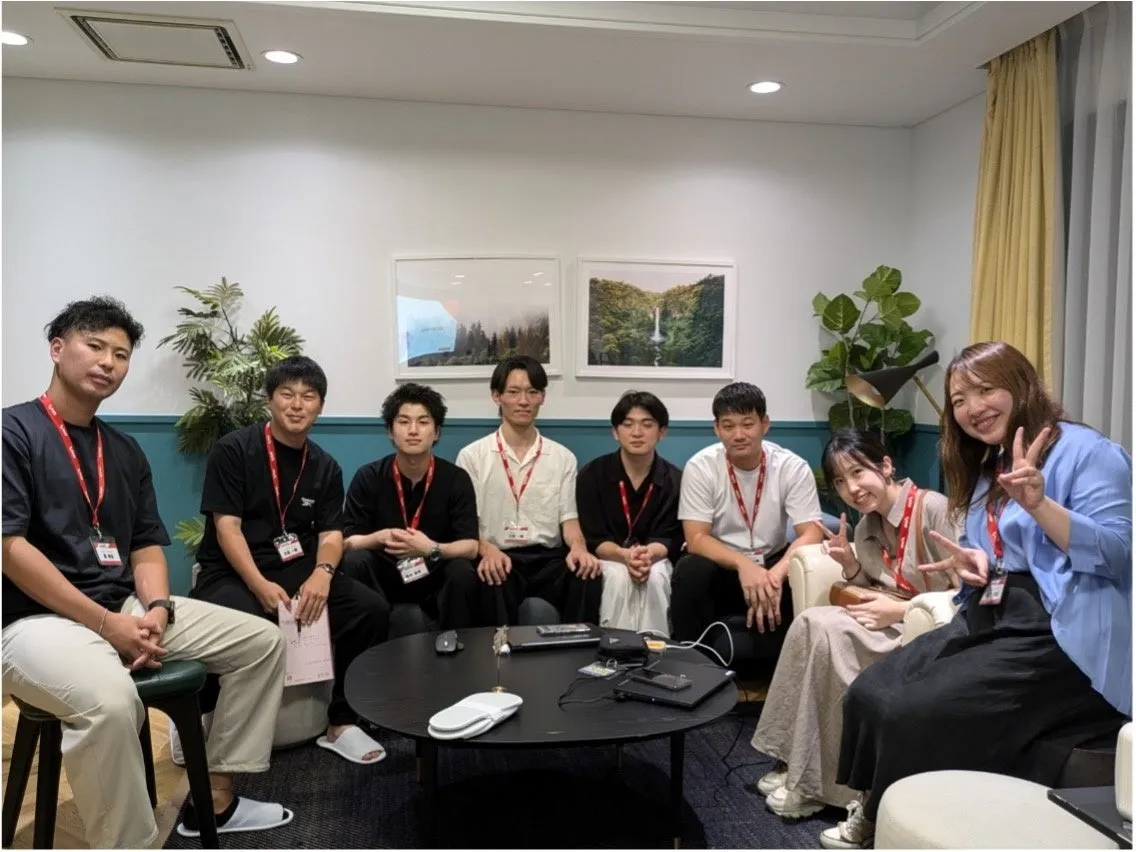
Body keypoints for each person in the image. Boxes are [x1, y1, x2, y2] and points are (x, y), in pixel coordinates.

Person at [2, 297, 291, 846]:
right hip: (32, 621)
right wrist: (104, 624)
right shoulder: (12, 432)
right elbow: (9, 548)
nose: (108, 362)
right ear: (57, 349)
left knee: (261, 642)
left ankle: (218, 791)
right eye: (95, 346)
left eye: (121, 353)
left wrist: (157, 609)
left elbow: (146, 546)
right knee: (113, 704)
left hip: (122, 608)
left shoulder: (124, 450)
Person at [821, 341, 1131, 850]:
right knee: (870, 692)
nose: (973, 409)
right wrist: (975, 566)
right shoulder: (992, 464)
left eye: (985, 390)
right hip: (994, 610)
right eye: (959, 400)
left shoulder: (1090, 452)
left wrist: (1040, 505)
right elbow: (997, 552)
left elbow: (1118, 554)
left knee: (910, 710)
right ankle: (878, 803)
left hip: (1059, 631)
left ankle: (887, 823)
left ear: (1020, 385)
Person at [191, 356, 390, 766]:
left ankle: (340, 723)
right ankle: (200, 721)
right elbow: (227, 528)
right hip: (232, 572)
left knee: (369, 610)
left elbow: (331, 534)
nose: (297, 405)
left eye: (308, 396)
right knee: (240, 623)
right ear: (269, 400)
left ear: (320, 406)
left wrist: (323, 574)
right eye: (287, 394)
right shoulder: (234, 450)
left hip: (298, 571)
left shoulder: (325, 466)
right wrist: (258, 584)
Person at [751, 429, 958, 820]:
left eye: (858, 472)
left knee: (832, 632)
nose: (852, 489)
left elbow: (966, 592)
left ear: (886, 466)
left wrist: (901, 611)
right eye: (840, 482)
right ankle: (791, 759)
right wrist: (849, 564)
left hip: (928, 629)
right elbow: (875, 583)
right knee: (809, 622)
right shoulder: (866, 526)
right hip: (886, 618)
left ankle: (818, 786)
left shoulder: (933, 509)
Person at [673, 382, 824, 643]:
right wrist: (743, 565)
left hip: (773, 564)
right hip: (722, 565)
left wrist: (774, 576)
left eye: (747, 424)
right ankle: (691, 656)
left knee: (806, 570)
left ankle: (784, 657)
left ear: (765, 424)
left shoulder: (792, 467)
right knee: (691, 570)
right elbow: (696, 538)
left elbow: (811, 532)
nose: (739, 434)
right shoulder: (701, 467)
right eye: (728, 426)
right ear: (716, 428)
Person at [456, 355, 601, 624]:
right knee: (489, 576)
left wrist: (579, 548)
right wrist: (487, 550)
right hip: (498, 553)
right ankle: (497, 651)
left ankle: (578, 648)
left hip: (548, 559)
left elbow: (569, 521)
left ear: (542, 398)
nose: (523, 401)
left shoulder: (563, 457)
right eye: (513, 392)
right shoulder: (472, 456)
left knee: (587, 572)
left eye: (532, 392)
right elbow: (468, 524)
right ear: (496, 396)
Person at [341, 383, 481, 632]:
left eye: (423, 422)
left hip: (433, 569)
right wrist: (379, 538)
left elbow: (470, 546)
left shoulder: (456, 479)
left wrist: (432, 548)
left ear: (436, 432)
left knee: (461, 570)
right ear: (390, 431)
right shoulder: (368, 477)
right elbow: (348, 541)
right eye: (404, 422)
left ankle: (453, 645)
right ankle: (369, 644)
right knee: (355, 561)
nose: (413, 430)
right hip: (385, 572)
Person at [575, 390, 683, 635]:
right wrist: (624, 556)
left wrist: (646, 556)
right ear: (615, 431)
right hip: (609, 558)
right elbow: (594, 537)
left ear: (662, 432)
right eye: (628, 424)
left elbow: (670, 537)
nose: (637, 432)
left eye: (647, 424)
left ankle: (658, 649)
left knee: (655, 577)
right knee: (618, 578)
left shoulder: (675, 480)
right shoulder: (592, 475)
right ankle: (615, 648)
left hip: (653, 559)